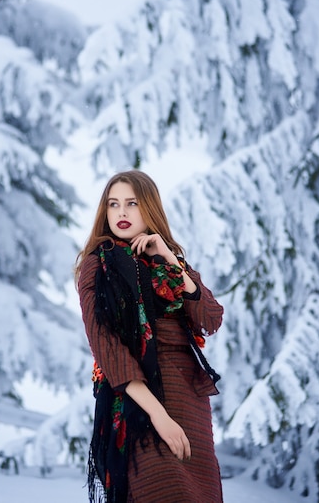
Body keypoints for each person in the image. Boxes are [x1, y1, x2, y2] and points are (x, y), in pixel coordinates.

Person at [75, 170, 224, 503]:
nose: (122, 213)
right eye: (114, 204)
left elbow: (211, 318)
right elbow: (108, 348)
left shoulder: (169, 263)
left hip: (188, 400)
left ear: (150, 209)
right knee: (161, 491)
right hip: (138, 403)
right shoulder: (97, 266)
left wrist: (169, 258)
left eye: (132, 203)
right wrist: (159, 416)